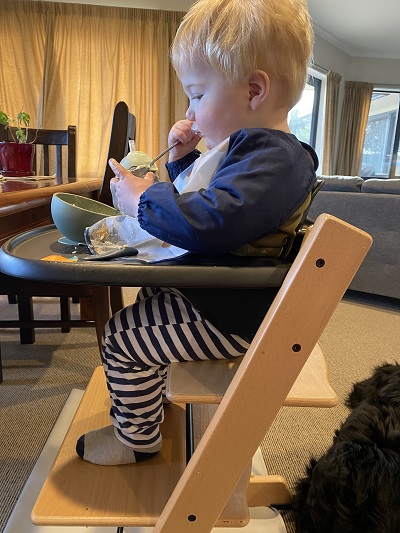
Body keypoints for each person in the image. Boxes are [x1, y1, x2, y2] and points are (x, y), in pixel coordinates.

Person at [76, 0, 318, 465]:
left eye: (198, 95)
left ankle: (135, 440)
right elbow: (211, 203)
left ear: (253, 89)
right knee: (147, 303)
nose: (190, 110)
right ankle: (150, 406)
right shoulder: (255, 156)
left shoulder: (277, 158)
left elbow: (213, 220)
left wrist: (144, 200)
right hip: (224, 300)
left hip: (236, 317)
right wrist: (184, 161)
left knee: (121, 336)